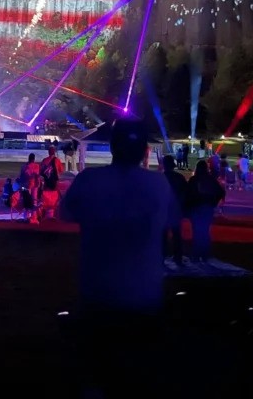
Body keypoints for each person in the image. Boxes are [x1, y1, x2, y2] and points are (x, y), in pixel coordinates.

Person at [60, 119, 181, 396]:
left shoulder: (89, 180)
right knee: (138, 373)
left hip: (99, 292)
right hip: (144, 293)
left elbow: (65, 213)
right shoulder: (159, 184)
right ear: (143, 150)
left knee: (97, 372)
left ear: (112, 146)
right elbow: (173, 219)